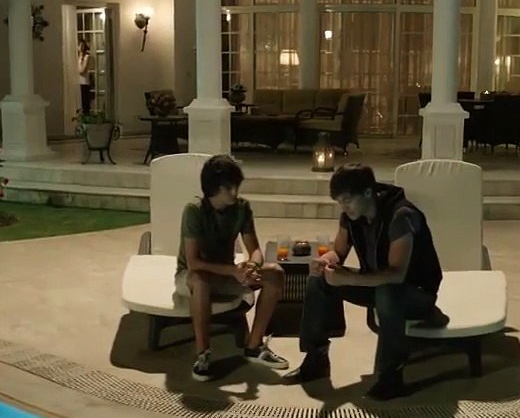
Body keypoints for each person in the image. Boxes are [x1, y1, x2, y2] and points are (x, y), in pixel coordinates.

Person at [285, 164, 449, 400]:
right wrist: (324, 262)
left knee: (387, 293)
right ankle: (316, 358)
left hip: (415, 292)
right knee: (319, 280)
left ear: (368, 192)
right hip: (379, 286)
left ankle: (391, 375)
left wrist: (349, 277)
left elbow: (396, 275)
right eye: (340, 202)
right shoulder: (351, 216)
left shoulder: (400, 215)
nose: (344, 207)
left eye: (348, 201)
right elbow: (338, 252)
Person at [176, 155, 289, 381]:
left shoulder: (241, 208)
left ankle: (254, 345)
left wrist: (251, 267)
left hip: (227, 274)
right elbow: (193, 262)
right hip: (192, 276)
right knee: (200, 280)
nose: (235, 192)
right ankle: (203, 355)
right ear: (214, 188)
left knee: (275, 273)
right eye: (228, 188)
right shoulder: (194, 211)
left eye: (236, 186)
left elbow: (255, 250)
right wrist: (234, 271)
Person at [77, 40, 95, 112]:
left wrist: (76, 71)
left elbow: (83, 70)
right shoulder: (77, 56)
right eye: (79, 45)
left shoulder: (86, 57)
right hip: (77, 82)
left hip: (84, 82)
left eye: (82, 45)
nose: (81, 47)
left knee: (85, 102)